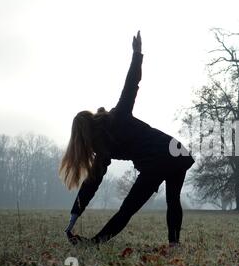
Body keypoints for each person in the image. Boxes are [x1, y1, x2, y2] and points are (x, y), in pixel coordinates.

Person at [59, 31, 194, 247]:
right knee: (172, 199)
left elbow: (131, 85)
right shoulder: (103, 146)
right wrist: (75, 214)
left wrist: (137, 54)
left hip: (159, 157)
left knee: (128, 208)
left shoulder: (117, 117)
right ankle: (174, 245)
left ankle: (95, 243)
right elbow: (92, 183)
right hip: (175, 149)